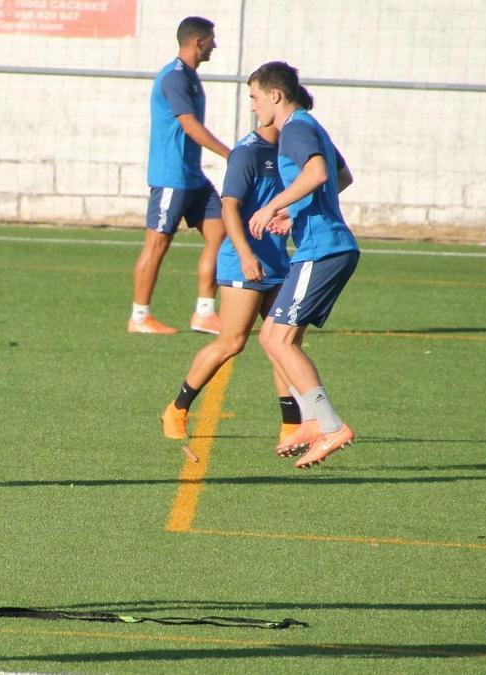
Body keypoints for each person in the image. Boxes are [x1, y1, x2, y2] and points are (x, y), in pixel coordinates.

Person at [160, 123, 305, 447]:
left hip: (279, 263)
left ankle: (291, 426)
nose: (254, 104)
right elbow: (229, 208)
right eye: (253, 98)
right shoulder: (247, 152)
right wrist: (244, 254)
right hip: (245, 263)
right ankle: (177, 408)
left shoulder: (289, 149)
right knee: (232, 342)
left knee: (284, 344)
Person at [247, 61, 359, 469]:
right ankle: (312, 420)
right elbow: (340, 176)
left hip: (324, 249)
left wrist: (275, 204)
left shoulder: (294, 128)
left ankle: (330, 426)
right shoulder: (310, 126)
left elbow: (316, 172)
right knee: (271, 338)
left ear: (275, 95)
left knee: (279, 341)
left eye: (255, 98)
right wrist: (295, 214)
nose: (254, 107)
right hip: (320, 246)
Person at [129, 16, 231, 336]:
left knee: (222, 235)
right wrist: (230, 153)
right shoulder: (174, 77)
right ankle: (140, 317)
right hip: (171, 177)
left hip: (193, 178)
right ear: (198, 41)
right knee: (157, 244)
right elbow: (189, 125)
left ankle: (204, 312)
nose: (214, 45)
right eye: (211, 39)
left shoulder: (190, 76)